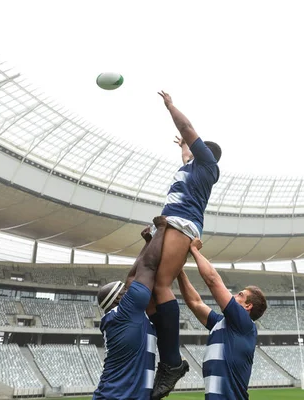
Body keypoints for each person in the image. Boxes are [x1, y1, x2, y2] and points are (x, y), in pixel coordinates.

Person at [150, 91, 222, 399]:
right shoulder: (191, 165)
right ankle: (159, 347)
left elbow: (189, 129)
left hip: (182, 223)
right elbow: (186, 152)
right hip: (171, 221)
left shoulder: (207, 166)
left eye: (193, 149)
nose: (189, 151)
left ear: (204, 153)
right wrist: (182, 148)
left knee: (162, 285)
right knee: (150, 287)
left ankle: (173, 362)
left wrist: (170, 107)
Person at [176, 238, 267, 399]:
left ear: (248, 306)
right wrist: (178, 269)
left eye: (240, 295)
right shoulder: (221, 323)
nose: (233, 295)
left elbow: (213, 280)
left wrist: (194, 250)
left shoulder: (244, 324)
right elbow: (194, 303)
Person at [93, 216, 167, 400]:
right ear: (119, 297)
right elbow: (148, 266)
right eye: (125, 290)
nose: (130, 288)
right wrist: (162, 229)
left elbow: (132, 278)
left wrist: (147, 243)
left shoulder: (121, 315)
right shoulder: (125, 312)